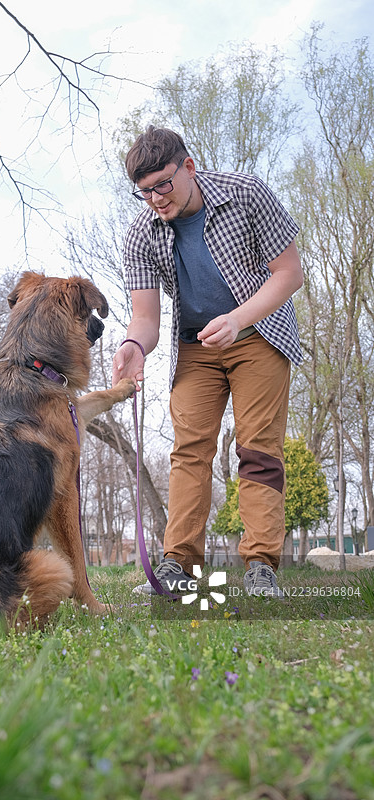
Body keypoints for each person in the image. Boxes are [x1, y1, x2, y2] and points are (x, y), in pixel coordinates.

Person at [112, 126, 303, 599]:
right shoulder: (141, 235)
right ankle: (178, 565)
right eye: (145, 191)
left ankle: (261, 568)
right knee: (189, 449)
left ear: (189, 167)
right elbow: (146, 319)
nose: (156, 198)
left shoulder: (246, 195)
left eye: (163, 184)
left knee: (257, 448)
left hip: (260, 332)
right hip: (195, 346)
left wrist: (237, 320)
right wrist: (134, 345)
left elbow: (289, 274)